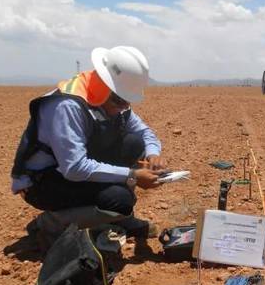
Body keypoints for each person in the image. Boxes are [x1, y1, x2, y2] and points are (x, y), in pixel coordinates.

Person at [11, 46, 166, 250]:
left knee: (134, 144)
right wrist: (133, 175)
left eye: (126, 101)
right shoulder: (68, 106)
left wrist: (153, 153)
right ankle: (49, 224)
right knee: (119, 199)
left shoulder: (111, 102)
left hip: (67, 171)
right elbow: (75, 168)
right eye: (120, 100)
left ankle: (119, 218)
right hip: (42, 183)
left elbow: (144, 133)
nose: (123, 107)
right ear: (104, 86)